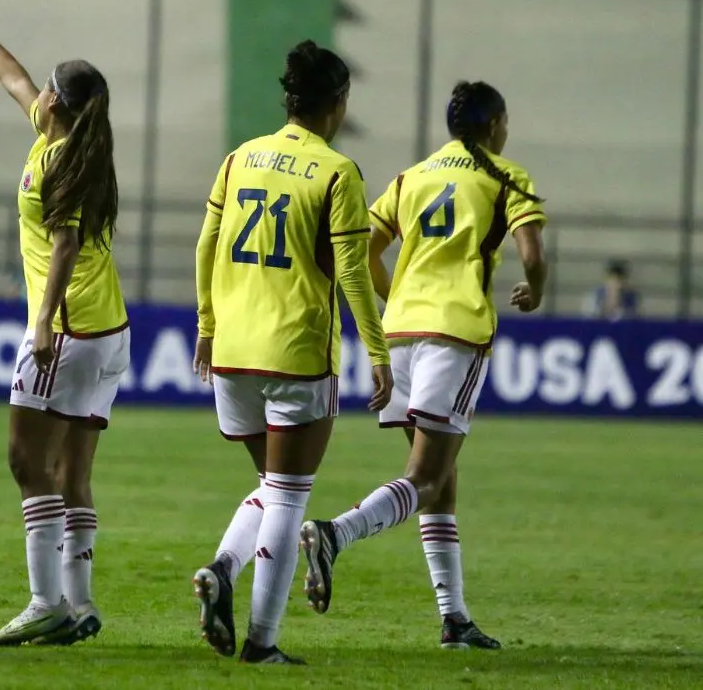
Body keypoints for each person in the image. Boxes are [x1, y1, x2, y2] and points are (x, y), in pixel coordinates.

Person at [300, 80, 548, 650]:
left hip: (400, 333)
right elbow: (532, 253)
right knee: (427, 476)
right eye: (504, 122)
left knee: (441, 481)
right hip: (454, 332)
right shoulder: (505, 176)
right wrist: (534, 291)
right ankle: (336, 533)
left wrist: (396, 297)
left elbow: (362, 250)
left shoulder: (411, 177)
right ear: (493, 126)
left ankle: (454, 618)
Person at [188, 41, 392, 665]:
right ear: (338, 103)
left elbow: (205, 246)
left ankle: (224, 568)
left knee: (271, 485)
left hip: (232, 349)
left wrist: (205, 323)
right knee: (289, 494)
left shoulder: (238, 158)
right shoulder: (338, 172)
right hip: (295, 350)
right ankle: (262, 642)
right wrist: (378, 351)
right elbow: (353, 273)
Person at [0, 0, 129, 646]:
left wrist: (44, 321)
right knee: (72, 474)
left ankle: (44, 602)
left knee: (27, 462)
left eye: (44, 90)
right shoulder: (72, 143)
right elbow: (14, 77)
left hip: (70, 328)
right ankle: (78, 607)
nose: (34, 93)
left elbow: (65, 243)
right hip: (108, 329)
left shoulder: (57, 163)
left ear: (56, 103)